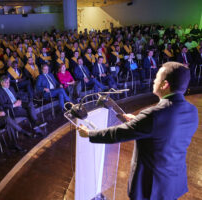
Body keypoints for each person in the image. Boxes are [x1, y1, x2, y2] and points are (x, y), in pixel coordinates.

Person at [78, 62, 199, 200]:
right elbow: (165, 133)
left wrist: (89, 133)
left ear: (164, 84)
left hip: (151, 187)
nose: (154, 80)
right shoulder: (192, 111)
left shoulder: (154, 115)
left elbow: (117, 134)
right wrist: (138, 121)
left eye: (157, 77)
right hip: (173, 182)